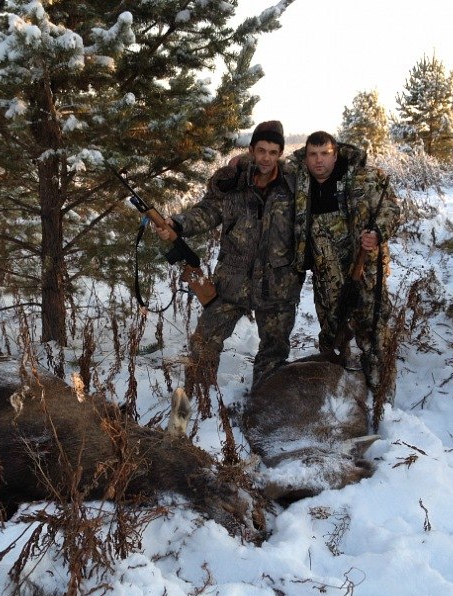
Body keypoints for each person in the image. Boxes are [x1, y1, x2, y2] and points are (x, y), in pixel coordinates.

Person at [154, 121, 304, 416]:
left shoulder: (295, 184)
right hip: (233, 280)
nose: (266, 158)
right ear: (250, 150)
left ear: (281, 154)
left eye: (273, 152)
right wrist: (178, 224)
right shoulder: (232, 182)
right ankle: (192, 407)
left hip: (277, 285)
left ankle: (263, 409)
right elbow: (208, 211)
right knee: (203, 343)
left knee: (273, 353)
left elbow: (329, 164)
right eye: (260, 150)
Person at [288, 131, 400, 403]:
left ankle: (382, 396)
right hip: (325, 271)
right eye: (313, 155)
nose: (319, 161)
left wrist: (377, 233)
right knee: (332, 330)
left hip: (363, 270)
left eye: (325, 154)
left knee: (372, 330)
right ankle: (339, 393)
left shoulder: (365, 178)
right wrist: (239, 161)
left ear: (335, 154)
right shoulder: (296, 179)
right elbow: (262, 162)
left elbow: (390, 210)